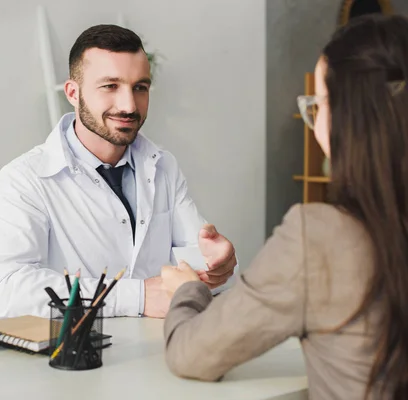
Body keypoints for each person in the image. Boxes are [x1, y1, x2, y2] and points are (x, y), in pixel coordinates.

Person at [161, 13, 408, 400]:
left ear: (350, 115)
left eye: (319, 104)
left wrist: (190, 290)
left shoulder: (321, 235)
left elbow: (190, 354)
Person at [0, 24, 238, 320]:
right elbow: (6, 292)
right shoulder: (24, 178)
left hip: (160, 352)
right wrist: (138, 297)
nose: (129, 105)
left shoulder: (163, 166)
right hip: (74, 359)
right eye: (110, 86)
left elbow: (196, 264)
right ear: (73, 93)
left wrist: (218, 265)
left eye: (140, 87)